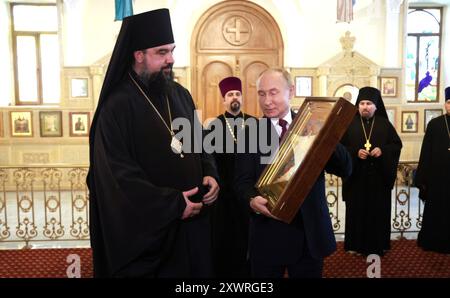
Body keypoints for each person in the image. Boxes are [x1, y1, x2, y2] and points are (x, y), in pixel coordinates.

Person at [87, 9, 219, 278]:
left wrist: (210, 172)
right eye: (161, 52)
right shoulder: (117, 107)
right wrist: (172, 204)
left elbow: (200, 144)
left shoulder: (180, 95)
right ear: (138, 55)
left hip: (192, 231)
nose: (171, 59)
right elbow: (117, 177)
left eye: (171, 50)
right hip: (149, 241)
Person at [234, 68, 352, 278]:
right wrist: (251, 200)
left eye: (273, 92)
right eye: (262, 94)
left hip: (309, 235)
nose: (267, 101)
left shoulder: (313, 124)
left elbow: (345, 168)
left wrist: (327, 133)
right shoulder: (250, 133)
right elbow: (241, 183)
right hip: (268, 235)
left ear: (291, 91)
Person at [340, 86, 402, 256]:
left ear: (376, 106)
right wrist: (354, 152)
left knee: (377, 213)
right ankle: (355, 245)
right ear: (357, 105)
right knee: (357, 212)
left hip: (378, 180)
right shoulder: (349, 124)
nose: (365, 107)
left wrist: (382, 150)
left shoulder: (384, 124)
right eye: (362, 103)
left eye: (369, 103)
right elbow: (339, 147)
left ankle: (378, 245)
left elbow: (396, 145)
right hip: (356, 179)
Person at [208, 76, 256, 277]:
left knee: (250, 238)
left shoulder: (255, 123)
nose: (234, 97)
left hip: (249, 193)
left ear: (242, 98)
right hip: (225, 194)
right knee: (225, 238)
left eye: (237, 93)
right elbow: (209, 160)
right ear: (224, 100)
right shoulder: (214, 125)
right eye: (230, 95)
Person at [414, 86, 450, 253]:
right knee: (437, 210)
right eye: (449, 102)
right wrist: (423, 179)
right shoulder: (435, 124)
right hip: (438, 179)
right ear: (445, 104)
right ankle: (434, 242)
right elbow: (426, 153)